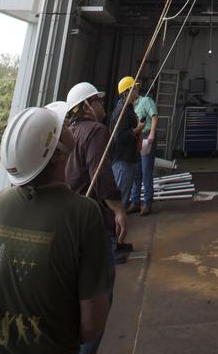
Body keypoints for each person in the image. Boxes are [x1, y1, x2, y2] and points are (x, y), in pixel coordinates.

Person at [0, 103, 110, 354]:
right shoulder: (83, 214)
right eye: (61, 127)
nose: (69, 123)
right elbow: (92, 325)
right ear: (59, 154)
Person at [65, 77, 130, 354]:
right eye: (97, 100)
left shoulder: (68, 133)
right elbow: (101, 177)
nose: (102, 104)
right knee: (99, 293)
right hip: (92, 224)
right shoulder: (95, 132)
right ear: (87, 106)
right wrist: (118, 210)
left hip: (70, 224)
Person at [110, 75, 142, 209]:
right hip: (123, 161)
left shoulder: (127, 109)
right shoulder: (122, 111)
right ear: (126, 92)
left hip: (128, 159)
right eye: (135, 88)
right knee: (121, 200)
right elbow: (120, 136)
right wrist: (137, 129)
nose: (137, 90)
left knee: (124, 197)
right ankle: (115, 228)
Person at [130, 81, 158, 215]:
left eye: (133, 88)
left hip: (146, 137)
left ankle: (147, 203)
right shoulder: (129, 107)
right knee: (136, 172)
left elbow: (154, 116)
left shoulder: (146, 101)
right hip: (136, 139)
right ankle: (135, 202)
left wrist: (152, 133)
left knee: (146, 170)